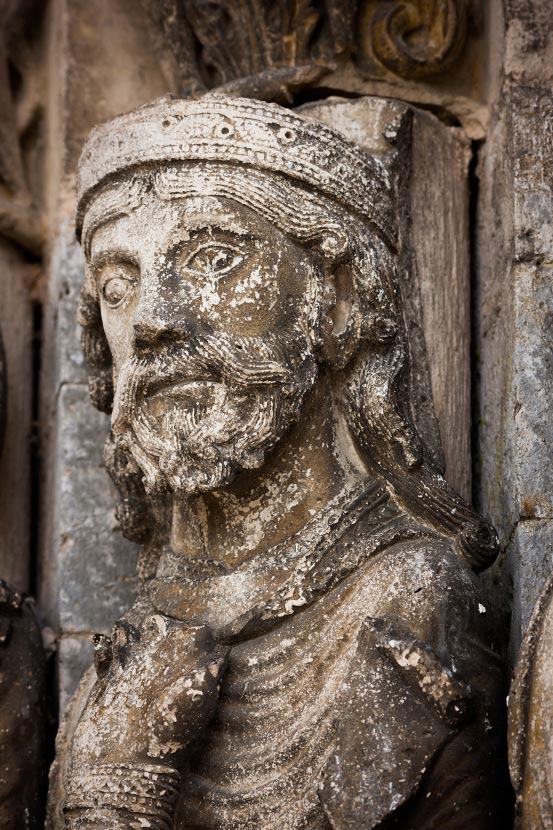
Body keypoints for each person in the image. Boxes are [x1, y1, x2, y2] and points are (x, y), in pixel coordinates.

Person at [51, 94, 504, 829]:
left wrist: (118, 791)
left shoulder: (404, 608)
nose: (152, 317)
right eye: (116, 284)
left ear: (338, 299)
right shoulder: (138, 639)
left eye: (212, 258)